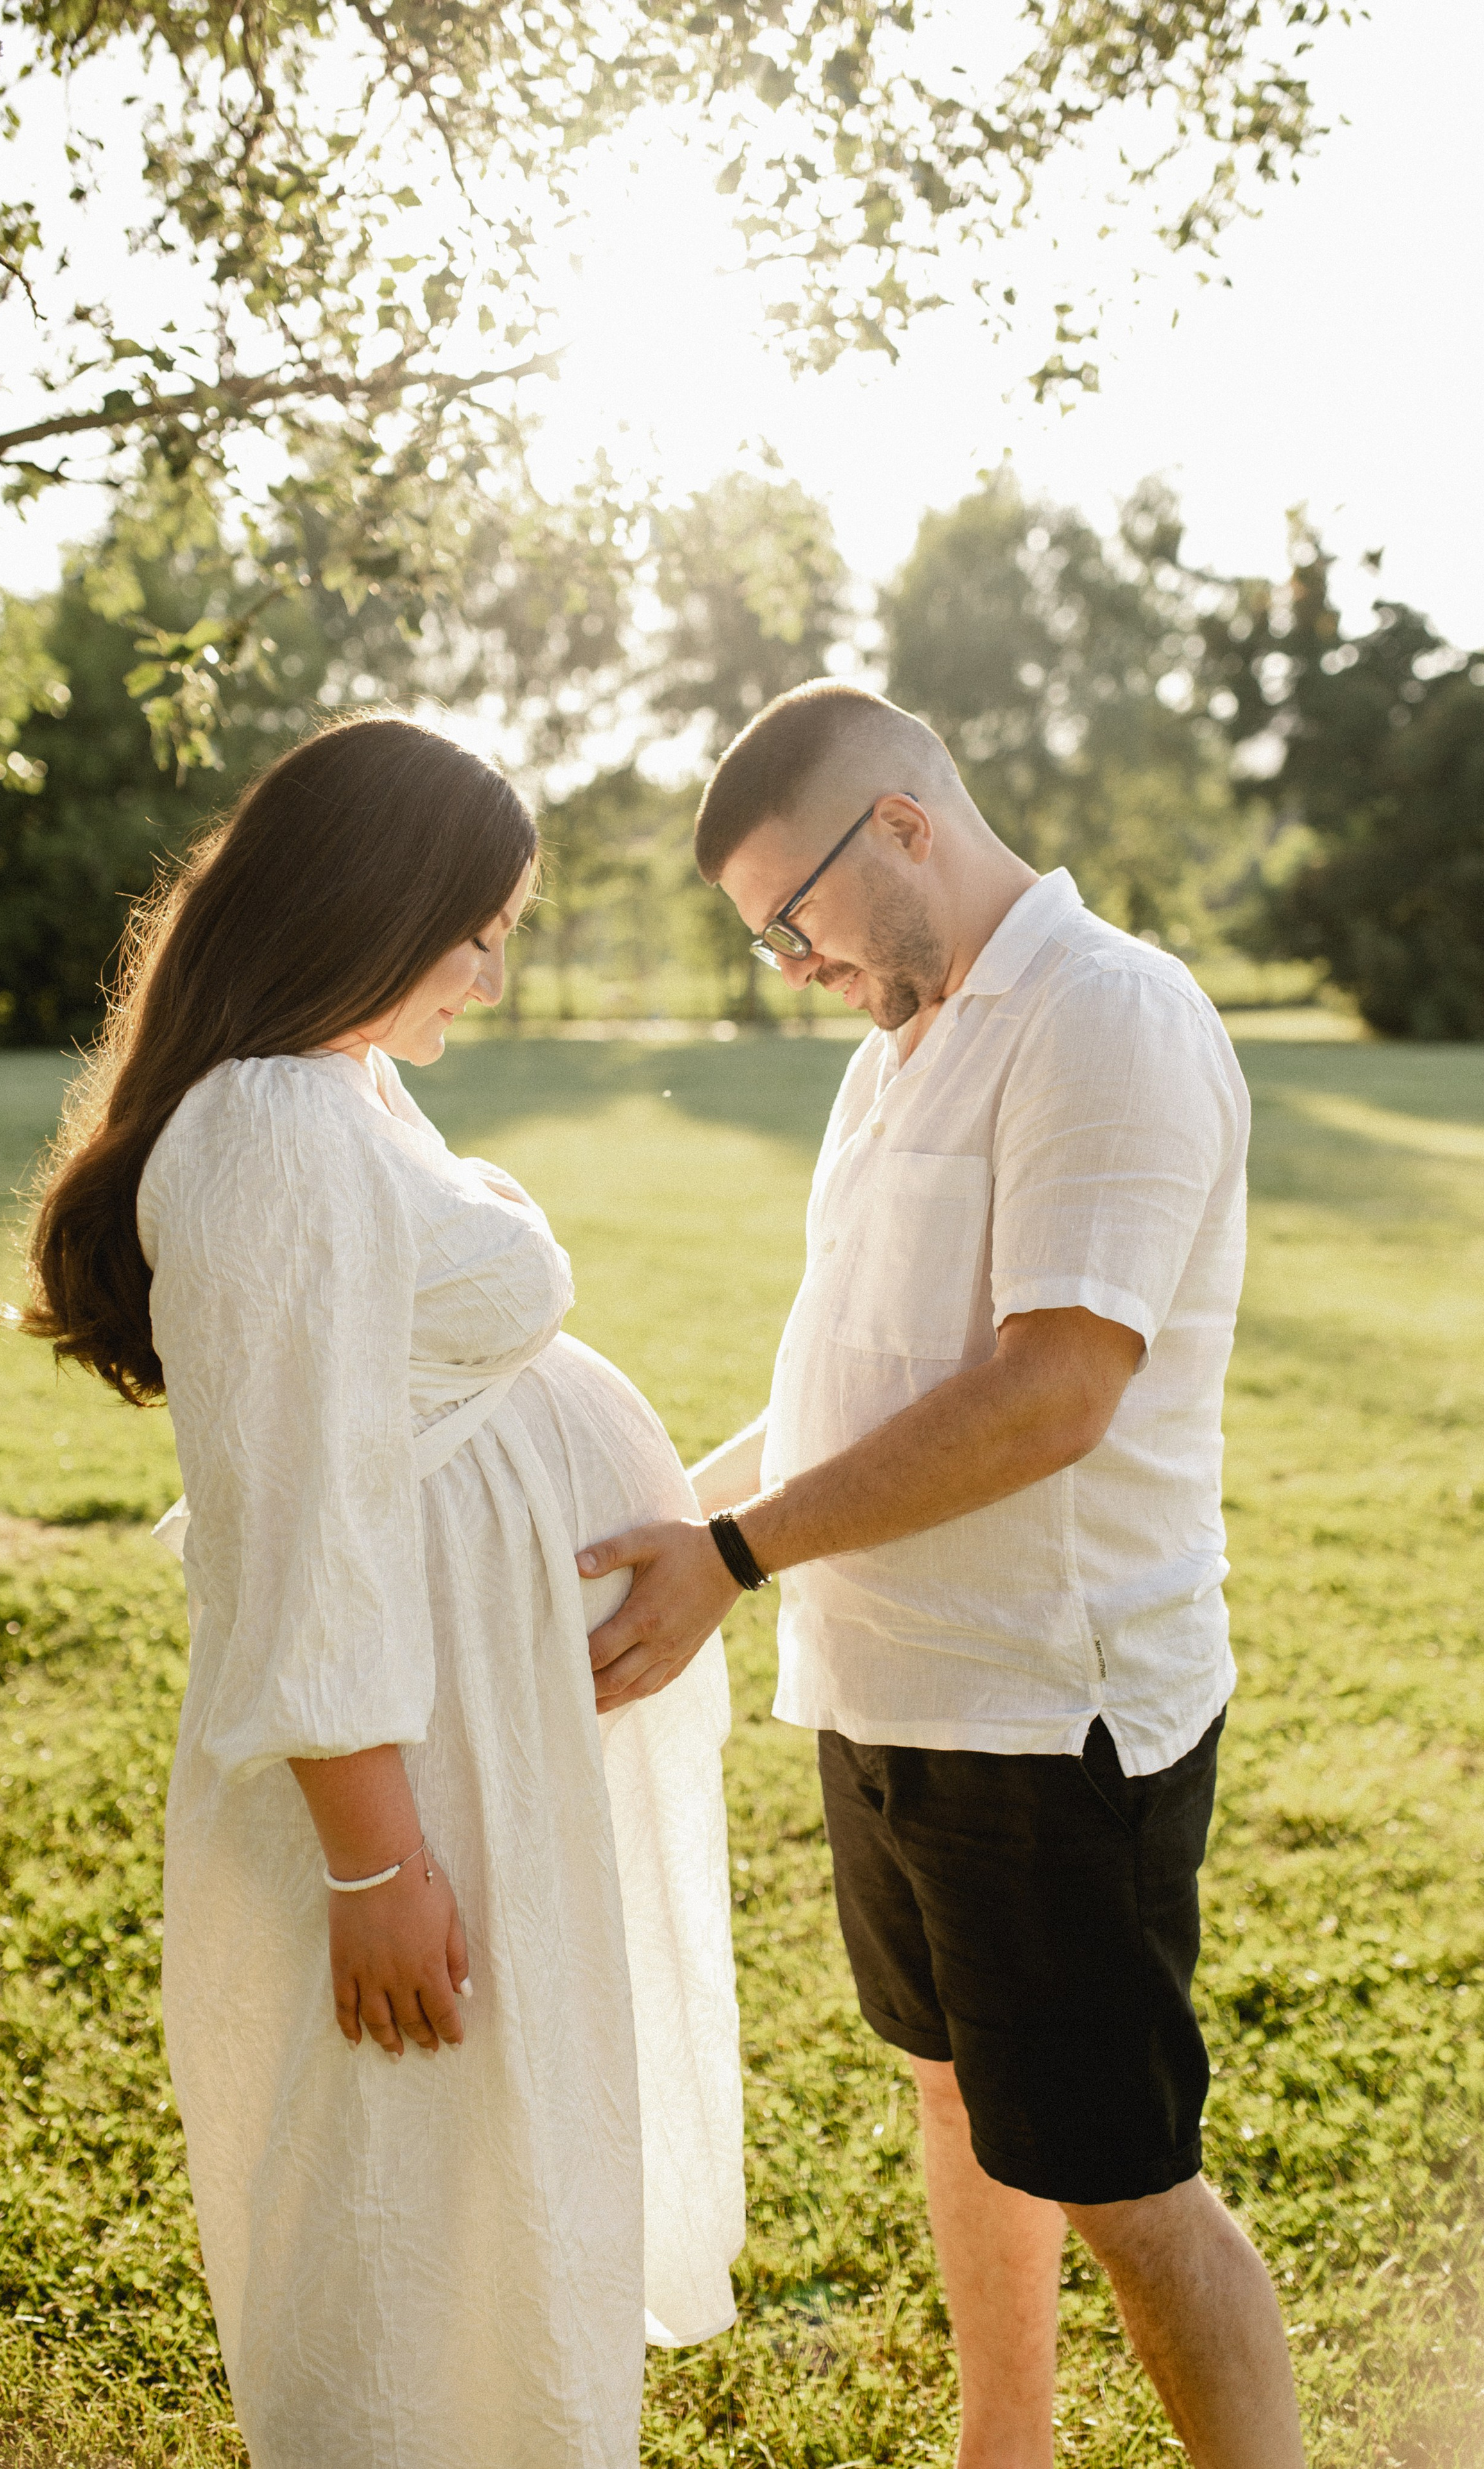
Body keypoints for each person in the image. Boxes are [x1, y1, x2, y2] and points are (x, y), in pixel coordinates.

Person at [578, 679, 1306, 2468]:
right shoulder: (895, 1050)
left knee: (1125, 2181)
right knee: (961, 2099)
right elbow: (855, 1388)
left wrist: (733, 1555)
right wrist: (657, 1519)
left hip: (1047, 1712)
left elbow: (1052, 1392)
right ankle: (1006, 2451)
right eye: (767, 938)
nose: (794, 965)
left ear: (902, 826)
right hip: (885, 1688)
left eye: (794, 918)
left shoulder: (1104, 1016)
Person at [22, 714, 742, 2469]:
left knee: (492, 2192)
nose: (489, 978)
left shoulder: (342, 1084)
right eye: (473, 932)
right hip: (407, 1766)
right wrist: (376, 1861)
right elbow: (296, 1528)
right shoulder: (269, 1126)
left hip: (477, 1733)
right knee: (408, 2213)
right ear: (364, 905)